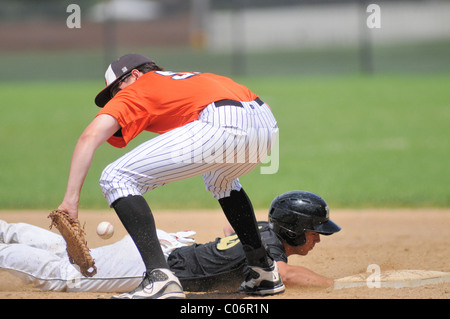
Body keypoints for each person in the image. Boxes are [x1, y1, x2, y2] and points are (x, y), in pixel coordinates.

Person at [57, 53, 281, 298]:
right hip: (266, 125)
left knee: (115, 177)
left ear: (134, 75)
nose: (115, 97)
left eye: (115, 90)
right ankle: (263, 271)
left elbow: (89, 137)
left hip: (222, 124)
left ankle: (159, 277)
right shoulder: (188, 78)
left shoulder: (137, 87)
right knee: (220, 180)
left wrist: (70, 200)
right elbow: (258, 106)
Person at [0, 191, 341, 294]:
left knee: (69, 255)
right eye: (315, 232)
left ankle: (6, 230)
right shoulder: (268, 250)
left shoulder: (262, 230)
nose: (318, 240)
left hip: (162, 247)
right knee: (65, 275)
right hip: (153, 266)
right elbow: (286, 275)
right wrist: (334, 285)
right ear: (294, 231)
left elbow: (228, 227)